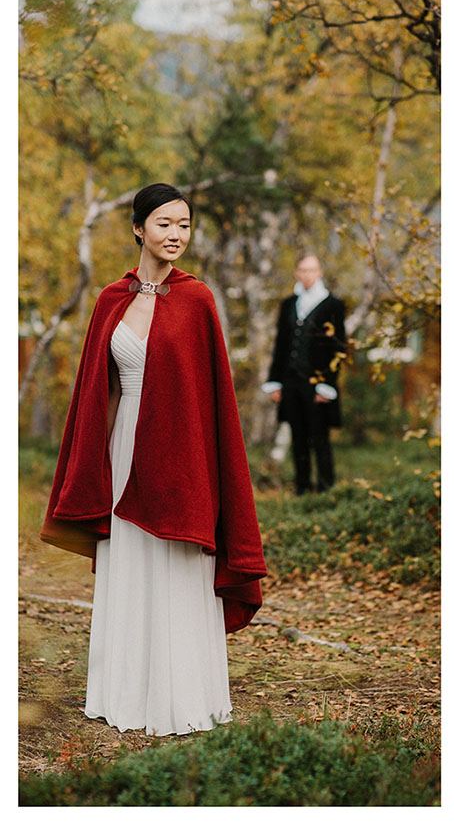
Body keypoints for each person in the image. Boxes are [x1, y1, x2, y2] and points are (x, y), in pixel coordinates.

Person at [41, 183, 267, 736]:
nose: (176, 235)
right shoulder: (109, 300)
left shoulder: (198, 300)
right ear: (139, 228)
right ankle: (127, 692)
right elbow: (97, 392)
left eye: (185, 225)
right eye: (164, 224)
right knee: (133, 566)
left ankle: (183, 695)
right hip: (123, 450)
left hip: (184, 454)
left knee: (178, 566)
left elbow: (213, 400)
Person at [263, 255, 347, 495]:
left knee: (319, 437)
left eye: (311, 270)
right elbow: (280, 345)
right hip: (291, 382)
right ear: (297, 273)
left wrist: (327, 385)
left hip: (318, 383)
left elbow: (339, 348)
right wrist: (274, 381)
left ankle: (326, 488)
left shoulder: (333, 305)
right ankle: (301, 487)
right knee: (297, 435)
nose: (307, 274)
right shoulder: (289, 303)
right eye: (302, 270)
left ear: (319, 272)